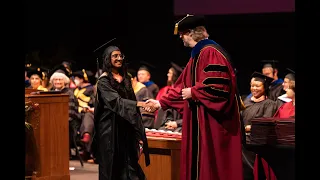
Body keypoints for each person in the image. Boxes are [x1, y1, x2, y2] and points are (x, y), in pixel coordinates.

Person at [146, 14, 243, 180]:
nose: (181, 38)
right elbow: (181, 86)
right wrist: (161, 102)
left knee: (214, 166)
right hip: (201, 120)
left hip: (214, 123)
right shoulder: (197, 55)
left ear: (190, 33)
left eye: (182, 34)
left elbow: (219, 88)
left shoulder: (211, 52)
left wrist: (195, 92)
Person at [93, 45, 150, 180]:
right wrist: (139, 104)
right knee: (112, 167)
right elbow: (115, 102)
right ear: (108, 59)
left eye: (120, 56)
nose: (119, 58)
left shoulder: (126, 78)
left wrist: (142, 108)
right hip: (109, 129)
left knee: (130, 164)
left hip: (125, 127)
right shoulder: (104, 81)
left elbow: (131, 101)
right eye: (115, 56)